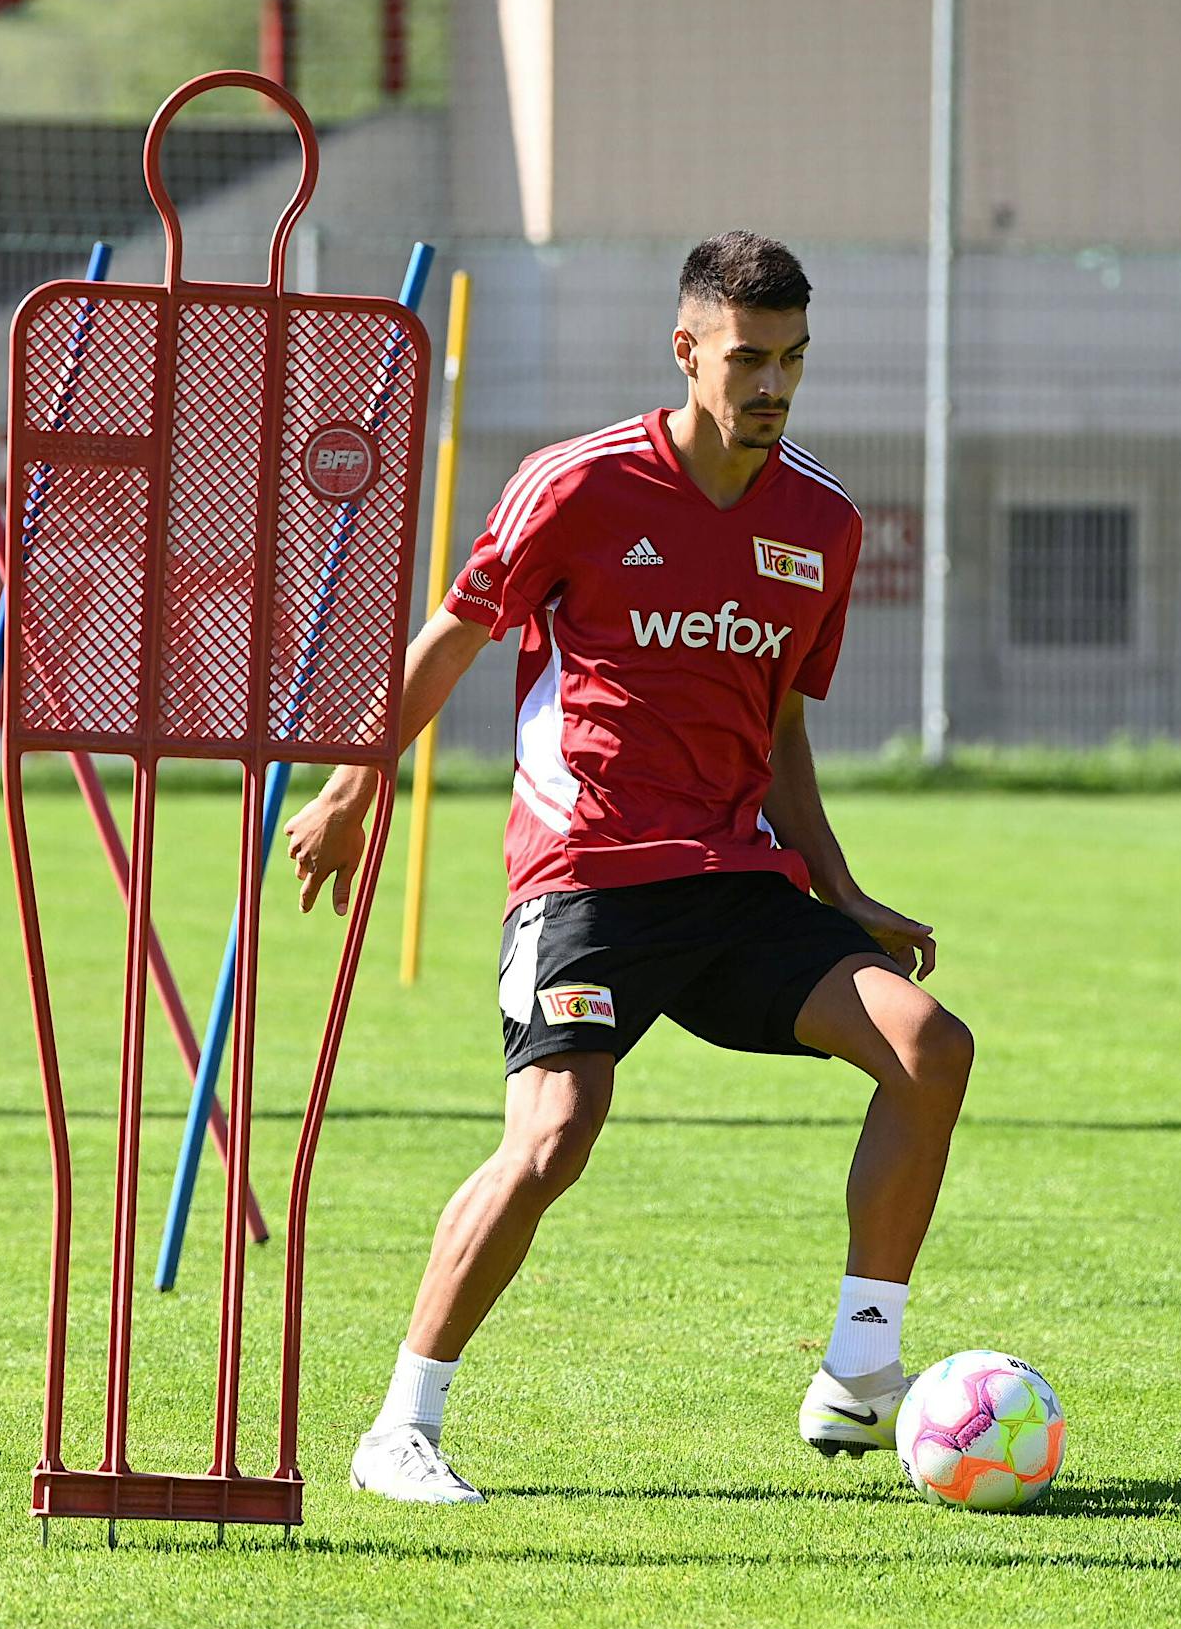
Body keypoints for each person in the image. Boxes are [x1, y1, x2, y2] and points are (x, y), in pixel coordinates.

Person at [283, 231, 974, 1504]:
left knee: (930, 1045)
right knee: (553, 1136)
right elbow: (449, 636)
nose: (772, 387)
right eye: (748, 359)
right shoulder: (578, 484)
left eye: (794, 362)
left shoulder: (820, 520)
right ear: (686, 348)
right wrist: (348, 782)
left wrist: (837, 885)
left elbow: (778, 733)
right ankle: (402, 1423)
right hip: (586, 875)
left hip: (736, 879)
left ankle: (861, 1373)